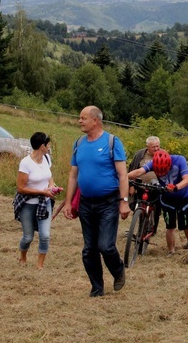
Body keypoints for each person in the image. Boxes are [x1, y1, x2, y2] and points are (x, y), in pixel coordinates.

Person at [63, 106, 131, 298]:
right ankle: (97, 288)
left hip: (108, 202)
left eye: (83, 118)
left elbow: (123, 175)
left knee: (106, 246)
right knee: (89, 249)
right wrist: (68, 202)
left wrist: (124, 201)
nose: (79, 121)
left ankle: (118, 271)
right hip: (86, 203)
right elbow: (73, 176)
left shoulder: (112, 142)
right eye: (79, 118)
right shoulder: (78, 143)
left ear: (96, 120)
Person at [128, 149, 188, 256]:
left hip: (183, 197)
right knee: (170, 227)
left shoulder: (180, 160)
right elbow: (139, 172)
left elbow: (187, 179)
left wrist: (176, 187)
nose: (162, 174)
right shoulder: (154, 162)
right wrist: (123, 177)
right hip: (167, 199)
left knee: (185, 224)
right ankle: (171, 251)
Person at [13, 132, 59, 270]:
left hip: (44, 203)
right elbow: (20, 188)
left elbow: (49, 176)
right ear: (42, 146)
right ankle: (23, 257)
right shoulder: (25, 163)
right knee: (28, 237)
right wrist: (41, 192)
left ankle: (40, 265)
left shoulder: (47, 158)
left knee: (45, 236)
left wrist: (52, 186)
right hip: (28, 204)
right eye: (48, 144)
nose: (49, 146)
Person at [127, 135, 162, 234]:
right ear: (147, 147)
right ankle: (139, 231)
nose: (156, 149)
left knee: (156, 210)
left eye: (157, 146)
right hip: (141, 186)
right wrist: (132, 186)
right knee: (139, 208)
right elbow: (133, 169)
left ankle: (152, 229)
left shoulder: (163, 154)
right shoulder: (139, 154)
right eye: (153, 147)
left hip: (156, 188)